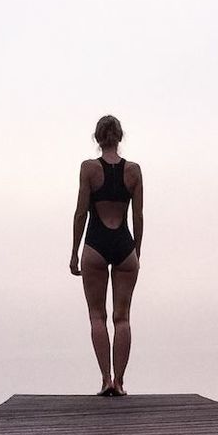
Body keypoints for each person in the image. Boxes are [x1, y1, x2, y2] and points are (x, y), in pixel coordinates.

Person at [70, 114, 143, 396]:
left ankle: (105, 380)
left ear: (98, 138)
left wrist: (74, 251)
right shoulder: (134, 171)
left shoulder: (89, 169)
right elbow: (137, 215)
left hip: (96, 244)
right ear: (120, 137)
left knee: (96, 316)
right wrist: (137, 250)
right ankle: (121, 383)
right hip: (124, 244)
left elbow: (80, 213)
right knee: (122, 318)